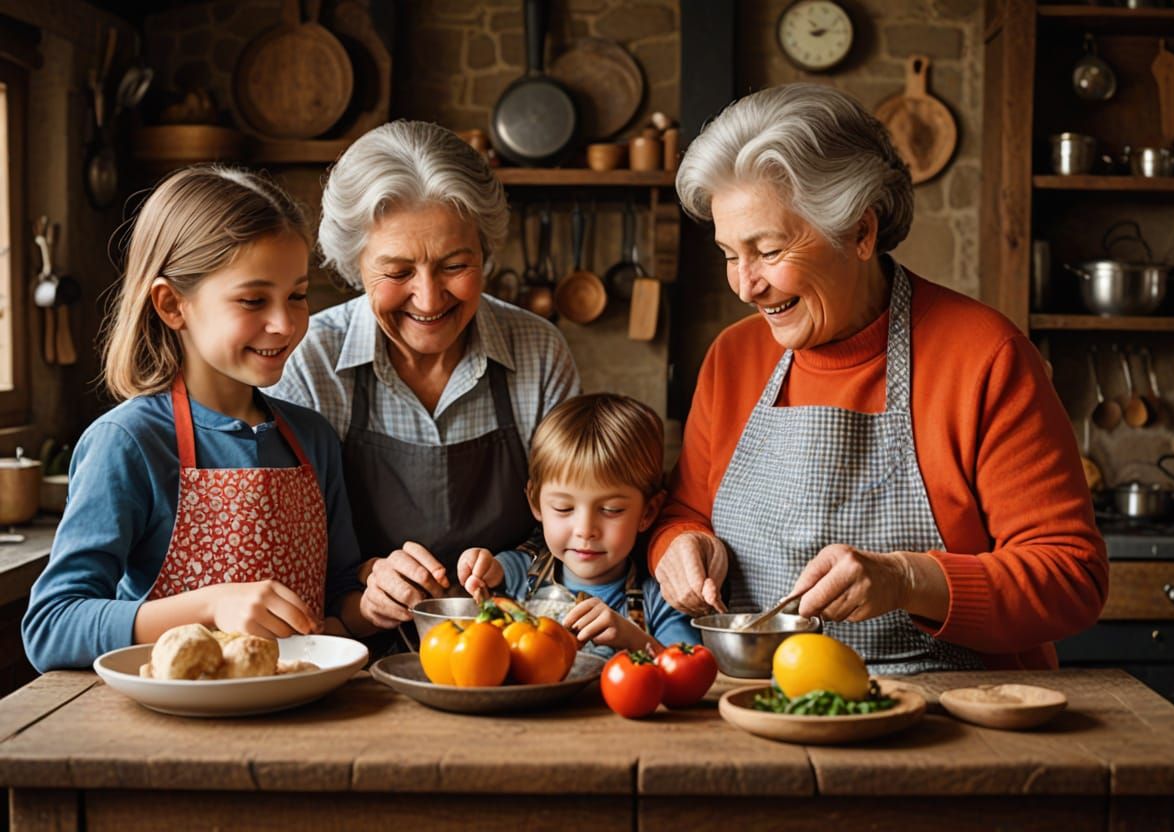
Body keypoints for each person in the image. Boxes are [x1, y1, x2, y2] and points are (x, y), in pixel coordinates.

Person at [649, 83, 1108, 674]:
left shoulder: (984, 357)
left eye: (767, 249)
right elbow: (685, 512)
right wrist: (681, 548)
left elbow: (1072, 577)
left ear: (861, 233)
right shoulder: (733, 358)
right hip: (758, 708)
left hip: (951, 716)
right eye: (730, 254)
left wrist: (906, 580)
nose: (745, 285)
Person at [22, 167, 374, 672]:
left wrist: (374, 603)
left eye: (297, 295)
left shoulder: (311, 438)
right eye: (253, 300)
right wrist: (208, 607)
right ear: (172, 305)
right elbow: (51, 626)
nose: (285, 322)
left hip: (302, 717)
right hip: (174, 734)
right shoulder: (129, 443)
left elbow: (337, 595)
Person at [264, 121, 579, 631]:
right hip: (352, 653)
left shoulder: (539, 351)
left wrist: (510, 568)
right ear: (354, 264)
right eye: (397, 272)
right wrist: (364, 580)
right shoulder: (310, 360)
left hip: (508, 644)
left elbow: (577, 532)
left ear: (485, 251)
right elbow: (285, 550)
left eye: (455, 264)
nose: (429, 300)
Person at [456, 394, 698, 655]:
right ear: (536, 503)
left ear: (647, 512)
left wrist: (633, 640)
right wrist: (476, 567)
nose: (585, 530)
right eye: (564, 508)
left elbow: (688, 670)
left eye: (611, 510)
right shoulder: (514, 574)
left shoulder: (662, 600)